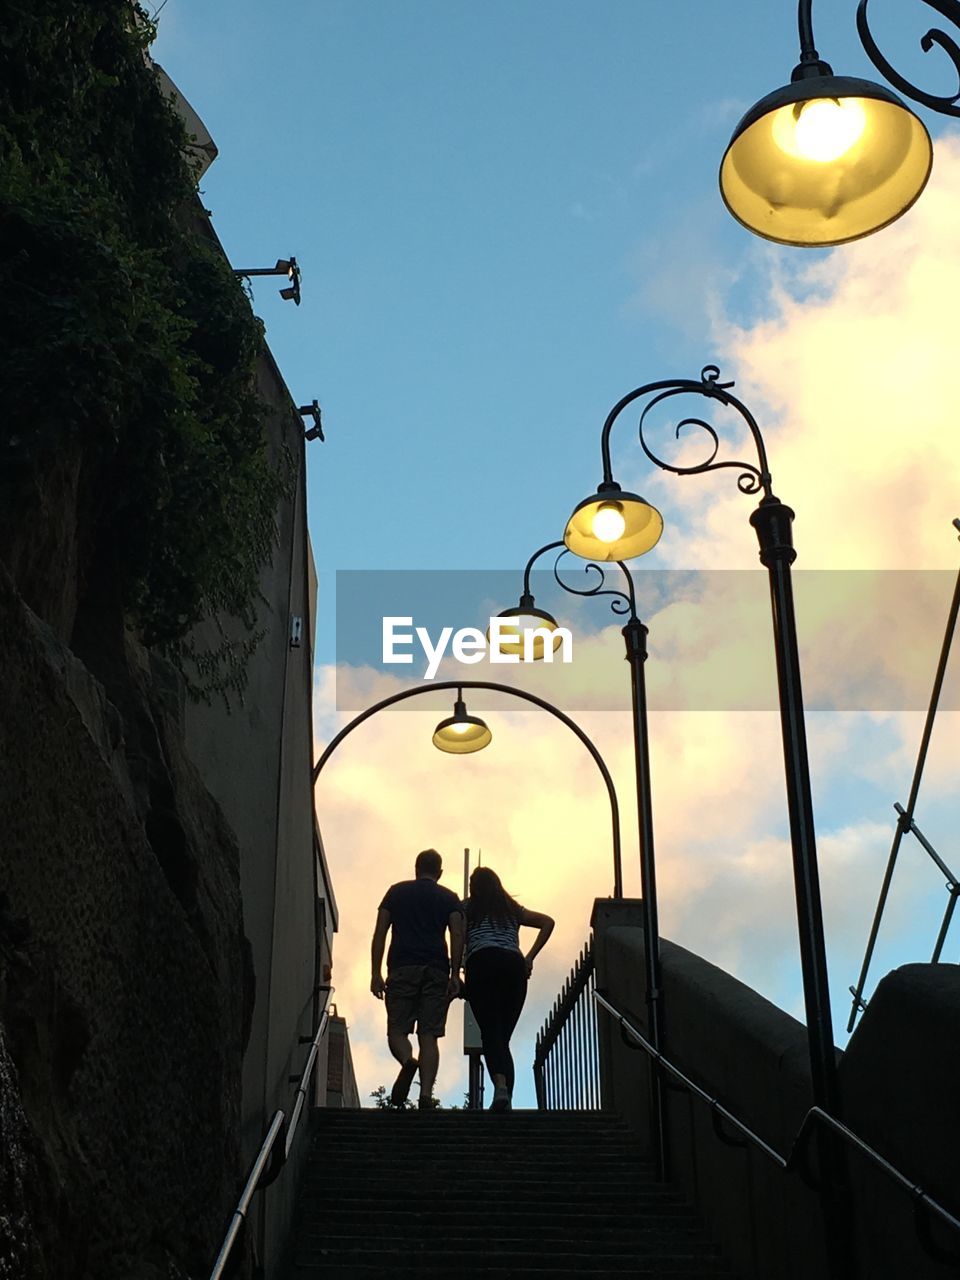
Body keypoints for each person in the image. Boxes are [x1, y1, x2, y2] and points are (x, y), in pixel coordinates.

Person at [370, 849, 464, 1108]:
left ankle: (408, 1061)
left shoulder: (396, 892)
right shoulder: (449, 898)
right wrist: (455, 973)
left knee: (397, 1030)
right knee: (429, 1034)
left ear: (416, 868)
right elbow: (457, 934)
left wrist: (375, 972)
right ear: (440, 872)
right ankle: (425, 1095)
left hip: (402, 967)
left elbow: (380, 932)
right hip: (436, 969)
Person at [462, 866, 554, 1112]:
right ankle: (506, 1098)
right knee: (503, 1038)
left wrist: (454, 971)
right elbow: (547, 922)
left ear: (475, 887)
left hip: (481, 963)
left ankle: (501, 1088)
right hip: (513, 966)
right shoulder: (510, 908)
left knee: (490, 1033)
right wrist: (530, 957)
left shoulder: (467, 907)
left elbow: (455, 932)